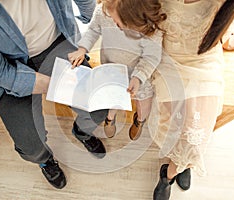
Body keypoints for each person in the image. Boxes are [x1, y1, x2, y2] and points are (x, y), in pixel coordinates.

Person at [0, 0, 109, 189]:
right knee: (30, 146)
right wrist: (57, 85)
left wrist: (92, 21)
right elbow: (0, 73)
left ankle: (82, 132)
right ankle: (45, 160)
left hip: (57, 43)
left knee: (99, 108)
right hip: (10, 67)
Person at [108, 0, 234, 199]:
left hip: (202, 61)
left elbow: (220, 20)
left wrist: (224, 39)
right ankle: (173, 167)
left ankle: (172, 171)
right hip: (168, 59)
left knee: (195, 135)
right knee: (174, 124)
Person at [67, 0, 166, 140]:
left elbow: (151, 57)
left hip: (140, 72)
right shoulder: (104, 11)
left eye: (118, 23)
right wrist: (82, 49)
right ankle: (110, 118)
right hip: (111, 69)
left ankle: (140, 120)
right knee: (113, 98)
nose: (114, 23)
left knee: (144, 101)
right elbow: (93, 30)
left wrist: (138, 77)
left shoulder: (151, 28)